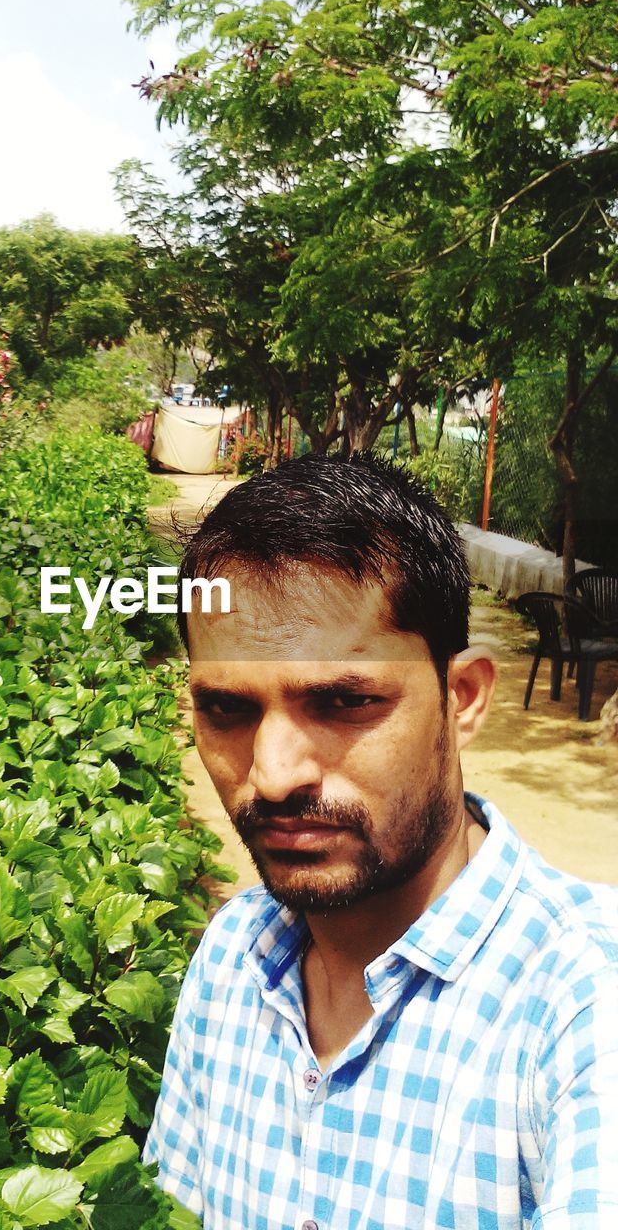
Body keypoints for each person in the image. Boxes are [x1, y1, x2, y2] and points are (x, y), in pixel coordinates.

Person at [143, 453, 617, 1230]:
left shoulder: (584, 1011)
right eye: (227, 709)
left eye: (344, 701)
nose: (273, 774)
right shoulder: (231, 956)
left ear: (462, 699)